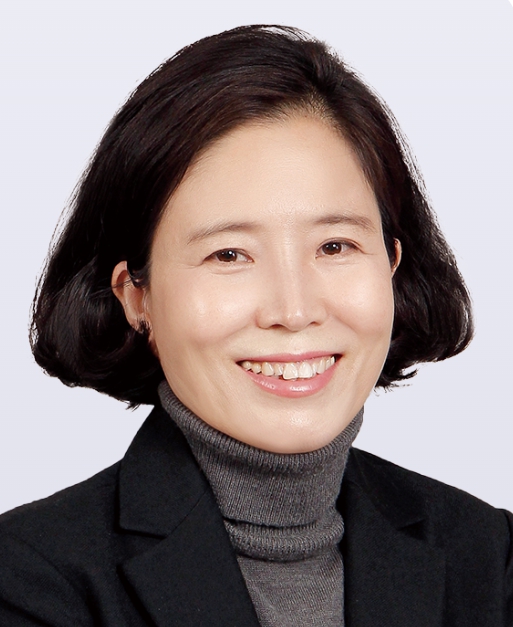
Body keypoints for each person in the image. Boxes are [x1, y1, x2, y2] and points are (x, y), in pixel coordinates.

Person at [0, 24, 511, 626]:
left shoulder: (488, 555)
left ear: (392, 265)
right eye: (229, 255)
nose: (294, 311)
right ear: (137, 297)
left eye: (336, 246)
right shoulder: (28, 581)